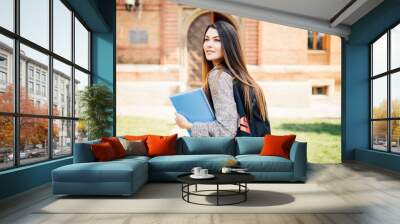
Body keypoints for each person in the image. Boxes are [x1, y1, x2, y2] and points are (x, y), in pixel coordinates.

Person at [175, 20, 271, 137]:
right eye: (206, 39)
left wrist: (188, 125)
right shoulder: (242, 77)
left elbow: (226, 131)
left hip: (232, 152)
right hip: (255, 150)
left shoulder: (219, 76)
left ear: (229, 45)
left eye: (217, 40)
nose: (209, 44)